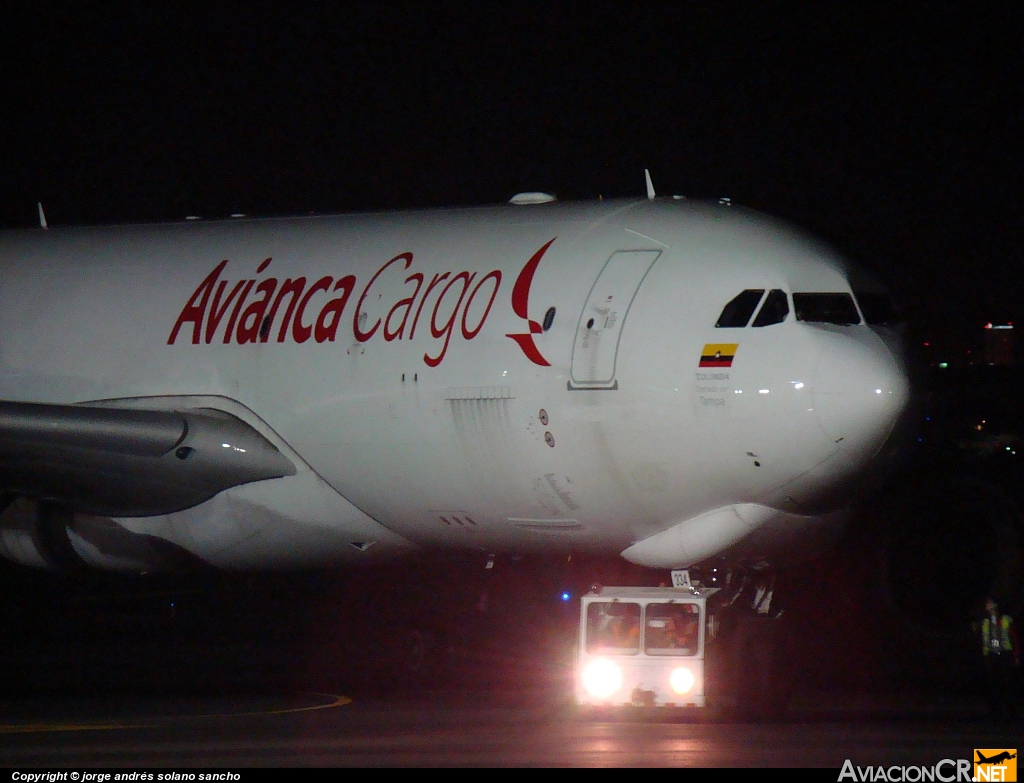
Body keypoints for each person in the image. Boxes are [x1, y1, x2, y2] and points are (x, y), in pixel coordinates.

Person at [980, 598, 1020, 718]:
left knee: (1007, 682)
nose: (989, 606)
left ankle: (1010, 709)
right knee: (993, 683)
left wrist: (1016, 655)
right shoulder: (986, 621)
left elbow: (1014, 638)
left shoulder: (1006, 620)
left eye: (991, 604)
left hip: (1005, 654)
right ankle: (995, 710)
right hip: (991, 655)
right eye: (988, 604)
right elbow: (983, 638)